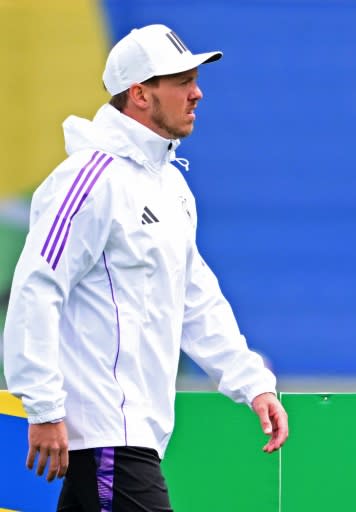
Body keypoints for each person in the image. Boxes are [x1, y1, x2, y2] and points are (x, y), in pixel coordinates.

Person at [3, 24, 288, 510]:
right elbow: (36, 288)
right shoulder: (89, 179)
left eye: (194, 79)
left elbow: (195, 298)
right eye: (181, 81)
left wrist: (252, 383)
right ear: (139, 94)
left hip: (133, 438)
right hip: (105, 434)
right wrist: (45, 407)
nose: (197, 93)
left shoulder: (171, 186)